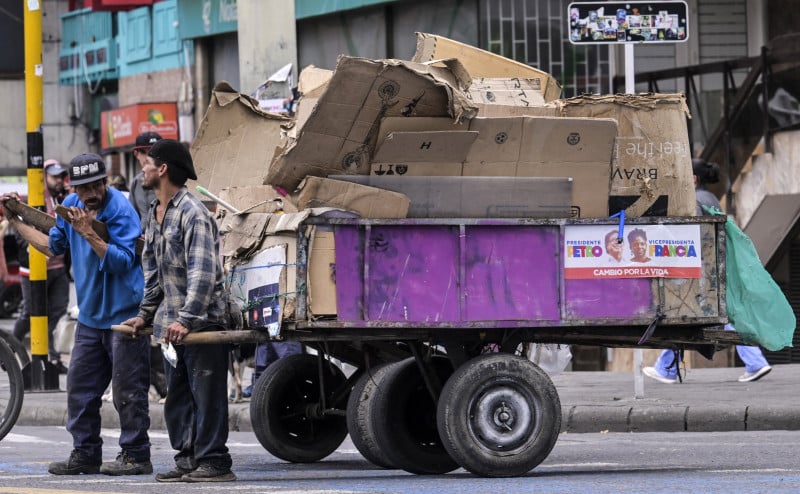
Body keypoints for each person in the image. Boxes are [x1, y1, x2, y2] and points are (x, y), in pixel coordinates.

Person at [2, 154, 151, 476]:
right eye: (84, 188)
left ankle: (136, 455)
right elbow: (51, 246)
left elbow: (122, 262)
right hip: (89, 319)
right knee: (80, 390)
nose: (90, 193)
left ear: (105, 182)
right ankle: (85, 454)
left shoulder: (121, 212)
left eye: (96, 185)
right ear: (74, 187)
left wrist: (88, 233)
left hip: (125, 318)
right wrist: (15, 222)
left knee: (128, 392)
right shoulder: (70, 205)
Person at [121, 139, 235, 483]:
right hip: (172, 327)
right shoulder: (155, 213)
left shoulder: (194, 214)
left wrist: (186, 319)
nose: (142, 168)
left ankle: (215, 461)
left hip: (202, 323)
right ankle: (188, 459)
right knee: (179, 397)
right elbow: (153, 273)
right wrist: (145, 314)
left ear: (163, 169)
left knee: (207, 395)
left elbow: (203, 274)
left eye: (147, 163)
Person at [643, 158, 773, 384]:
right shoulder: (710, 198)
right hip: (712, 268)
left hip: (701, 270)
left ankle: (667, 369)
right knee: (701, 316)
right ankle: (755, 362)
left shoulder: (696, 200)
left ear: (693, 179)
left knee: (681, 314)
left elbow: (691, 234)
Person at [11, 159, 71, 373]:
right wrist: (31, 252)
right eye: (54, 177)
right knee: (31, 313)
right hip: (33, 270)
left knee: (56, 313)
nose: (58, 181)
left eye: (60, 177)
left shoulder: (63, 199)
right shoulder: (32, 199)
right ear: (43, 177)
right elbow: (18, 230)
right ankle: (8, 352)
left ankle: (53, 359)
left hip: (58, 268)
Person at [128, 131, 161, 224]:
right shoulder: (137, 182)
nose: (148, 157)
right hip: (143, 236)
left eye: (153, 152)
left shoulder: (170, 180)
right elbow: (132, 216)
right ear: (136, 154)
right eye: (143, 152)